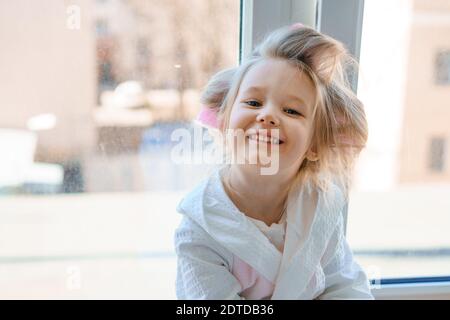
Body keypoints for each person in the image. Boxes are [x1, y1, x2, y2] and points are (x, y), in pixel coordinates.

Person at [174, 24, 373, 300]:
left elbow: (347, 288)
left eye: (291, 110)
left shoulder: (319, 207)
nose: (267, 116)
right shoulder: (200, 229)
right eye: (254, 103)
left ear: (314, 145)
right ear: (224, 120)